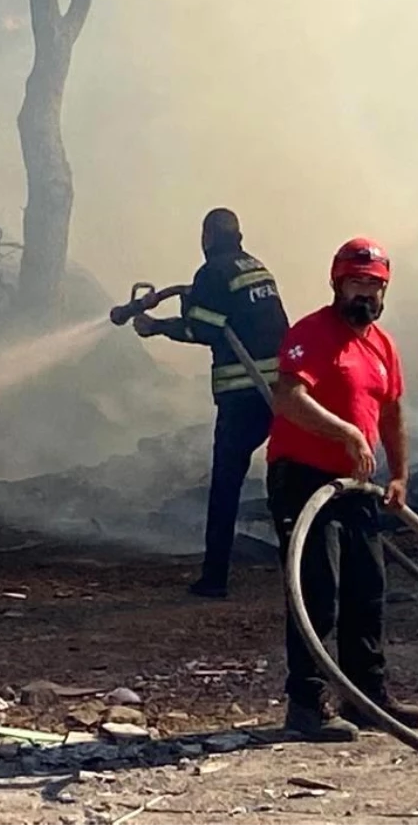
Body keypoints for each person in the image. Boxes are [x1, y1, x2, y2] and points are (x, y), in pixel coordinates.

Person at [265, 237, 418, 742]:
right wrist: (348, 433)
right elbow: (288, 397)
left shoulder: (382, 345)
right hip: (304, 478)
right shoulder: (311, 334)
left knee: (367, 590)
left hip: (357, 486)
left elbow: (393, 411)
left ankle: (367, 699)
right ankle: (307, 705)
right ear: (337, 283)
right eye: (357, 284)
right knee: (317, 590)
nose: (366, 295)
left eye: (375, 286)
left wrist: (399, 473)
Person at [133, 208, 289, 599]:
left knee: (225, 485)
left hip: (242, 395)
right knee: (288, 479)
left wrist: (156, 328)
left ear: (206, 236)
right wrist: (186, 297)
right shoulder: (255, 267)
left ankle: (214, 578)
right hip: (282, 392)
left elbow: (201, 329)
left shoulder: (213, 273)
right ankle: (299, 564)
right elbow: (231, 315)